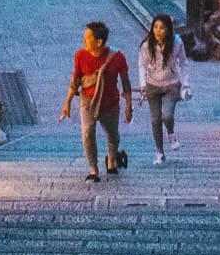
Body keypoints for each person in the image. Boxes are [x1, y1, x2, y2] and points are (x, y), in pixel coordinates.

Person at [64, 20, 131, 183]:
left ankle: (112, 160)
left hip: (110, 103)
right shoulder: (80, 55)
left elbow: (126, 83)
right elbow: (76, 80)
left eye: (87, 38)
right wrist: (67, 102)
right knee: (87, 132)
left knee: (113, 136)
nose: (84, 41)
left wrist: (129, 106)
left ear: (99, 42)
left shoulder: (118, 57)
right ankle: (93, 168)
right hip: (88, 100)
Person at [138, 13, 187, 160]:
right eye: (156, 27)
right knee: (155, 119)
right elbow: (142, 65)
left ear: (169, 29)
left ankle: (171, 133)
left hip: (172, 84)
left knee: (167, 115)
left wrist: (186, 84)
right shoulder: (147, 45)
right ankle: (160, 152)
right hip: (152, 85)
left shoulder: (177, 42)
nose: (158, 31)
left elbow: (183, 62)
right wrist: (142, 84)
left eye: (162, 28)